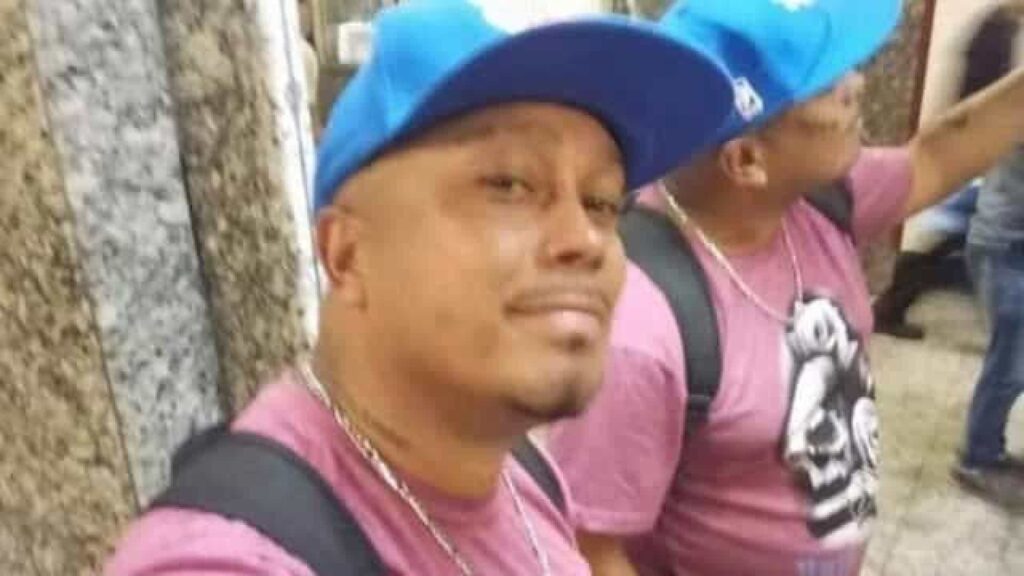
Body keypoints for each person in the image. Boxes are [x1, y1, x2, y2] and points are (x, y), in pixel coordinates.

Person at [104, 1, 733, 574]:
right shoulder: (232, 558)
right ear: (347, 254)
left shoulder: (519, 470)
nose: (585, 239)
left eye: (602, 201)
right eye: (509, 185)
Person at [547, 0, 1024, 574]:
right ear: (746, 160)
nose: (856, 83)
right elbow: (592, 548)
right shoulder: (639, 332)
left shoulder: (814, 204)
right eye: (826, 86)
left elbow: (937, 155)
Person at [874, 0, 1024, 339]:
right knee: (953, 236)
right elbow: (975, 95)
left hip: (981, 152)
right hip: (976, 151)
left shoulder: (1003, 26)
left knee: (953, 236)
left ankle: (892, 304)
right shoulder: (997, 28)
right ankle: (891, 305)